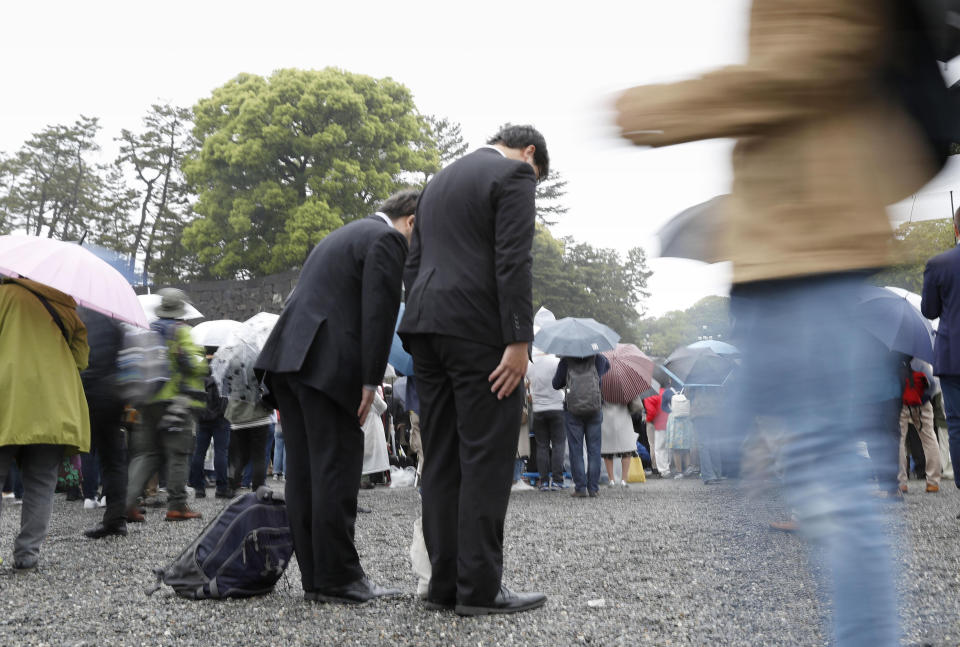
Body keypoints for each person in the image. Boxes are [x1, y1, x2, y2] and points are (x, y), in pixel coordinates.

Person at [615, 3, 936, 644]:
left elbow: (805, 68)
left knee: (818, 472)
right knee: (775, 466)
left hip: (805, 252)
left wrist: (657, 109)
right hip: (791, 252)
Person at [399, 124, 549, 616]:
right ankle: (479, 589)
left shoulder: (437, 182)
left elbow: (414, 261)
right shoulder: (514, 175)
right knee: (486, 456)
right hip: (477, 329)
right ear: (529, 152)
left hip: (425, 326)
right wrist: (519, 339)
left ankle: (444, 583)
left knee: (440, 456)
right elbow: (513, 258)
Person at [255, 189, 416, 605]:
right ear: (411, 221)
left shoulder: (343, 234)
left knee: (305, 474)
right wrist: (369, 380)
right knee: (337, 470)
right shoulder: (388, 240)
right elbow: (379, 312)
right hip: (327, 364)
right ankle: (341, 578)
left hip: (289, 359)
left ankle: (317, 578)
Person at [0, 278, 90, 568]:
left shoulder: (5, 296)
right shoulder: (68, 310)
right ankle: (27, 555)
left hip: (8, 398)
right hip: (54, 404)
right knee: (41, 483)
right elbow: (80, 361)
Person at [125, 288, 207, 522]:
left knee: (148, 453)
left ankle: (127, 502)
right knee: (178, 452)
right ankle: (177, 505)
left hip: (147, 400)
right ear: (181, 308)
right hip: (176, 402)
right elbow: (195, 365)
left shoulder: (148, 330)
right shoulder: (181, 331)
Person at [78, 307, 130, 539]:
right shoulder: (115, 322)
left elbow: (86, 361)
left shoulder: (85, 321)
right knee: (114, 459)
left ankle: (90, 496)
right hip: (114, 392)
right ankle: (116, 519)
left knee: (91, 451)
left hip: (92, 393)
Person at [921, 206, 960, 501]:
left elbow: (929, 310)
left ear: (956, 229)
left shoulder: (939, 264)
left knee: (957, 424)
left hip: (952, 355)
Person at [552, 353, 611, 498]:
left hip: (573, 410)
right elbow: (607, 367)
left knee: (576, 450)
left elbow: (555, 384)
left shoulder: (566, 360)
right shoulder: (599, 358)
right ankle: (593, 488)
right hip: (594, 408)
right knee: (594, 450)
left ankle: (580, 488)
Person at [189, 352, 232, 499]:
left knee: (199, 452)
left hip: (202, 419)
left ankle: (199, 488)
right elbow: (227, 396)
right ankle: (222, 488)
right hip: (221, 419)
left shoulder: (197, 372)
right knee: (221, 452)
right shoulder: (222, 371)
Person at [897, 362, 941, 493]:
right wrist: (925, 397)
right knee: (929, 438)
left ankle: (901, 482)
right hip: (922, 401)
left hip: (900, 402)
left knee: (899, 441)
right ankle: (933, 482)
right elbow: (932, 383)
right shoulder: (920, 359)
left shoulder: (895, 356)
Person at [528, 349, 567, 490]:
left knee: (541, 446)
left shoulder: (531, 365)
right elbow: (563, 382)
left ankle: (543, 481)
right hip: (557, 407)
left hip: (538, 410)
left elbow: (528, 384)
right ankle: (557, 481)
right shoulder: (557, 362)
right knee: (558, 445)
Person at [600, 400, 638, 487]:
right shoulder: (625, 387)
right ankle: (623, 480)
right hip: (624, 416)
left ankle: (611, 480)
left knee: (607, 451)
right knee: (626, 450)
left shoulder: (602, 387)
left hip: (606, 417)